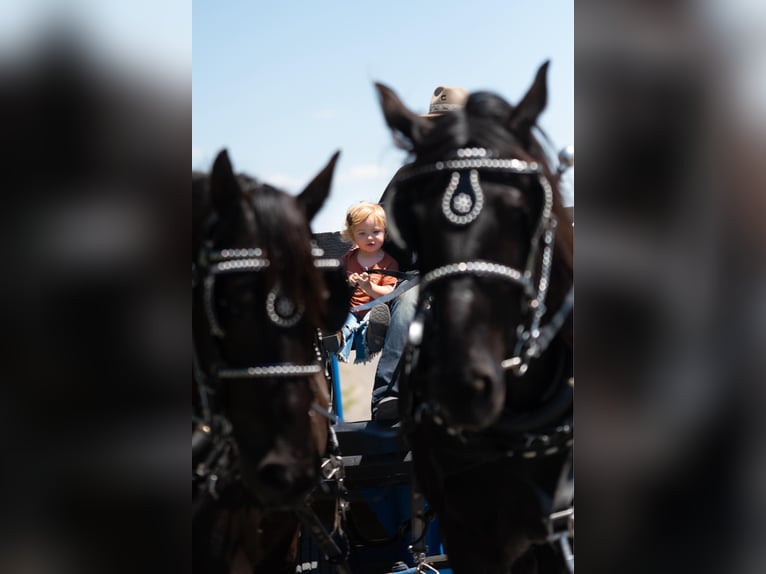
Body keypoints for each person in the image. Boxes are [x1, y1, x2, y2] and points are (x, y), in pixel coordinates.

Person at [371, 85, 469, 421]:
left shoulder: (486, 170)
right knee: (411, 302)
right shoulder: (410, 174)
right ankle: (388, 395)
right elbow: (385, 229)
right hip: (422, 275)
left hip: (481, 273)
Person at [337, 202, 399, 365]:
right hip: (351, 309)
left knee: (370, 321)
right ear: (352, 235)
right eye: (362, 233)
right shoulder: (348, 259)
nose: (370, 237)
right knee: (345, 323)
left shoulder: (388, 263)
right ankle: (339, 340)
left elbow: (388, 293)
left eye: (375, 232)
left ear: (385, 232)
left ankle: (371, 336)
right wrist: (347, 284)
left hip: (373, 309)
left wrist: (369, 287)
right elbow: (336, 283)